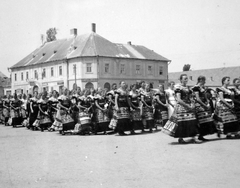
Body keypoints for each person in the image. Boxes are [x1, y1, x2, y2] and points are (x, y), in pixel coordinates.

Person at [162, 74, 200, 144]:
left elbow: (191, 97)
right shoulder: (178, 88)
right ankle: (181, 138)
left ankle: (193, 137)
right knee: (182, 123)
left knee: (192, 121)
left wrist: (192, 104)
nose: (186, 80)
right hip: (182, 106)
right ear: (181, 80)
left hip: (189, 106)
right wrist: (187, 106)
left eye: (187, 78)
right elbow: (179, 99)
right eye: (185, 79)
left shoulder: (188, 88)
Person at [192, 76, 216, 141]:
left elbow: (205, 97)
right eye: (204, 80)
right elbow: (197, 98)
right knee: (201, 121)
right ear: (200, 80)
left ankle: (202, 135)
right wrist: (204, 105)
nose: (205, 82)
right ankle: (198, 135)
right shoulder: (196, 88)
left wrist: (207, 102)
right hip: (199, 105)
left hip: (205, 104)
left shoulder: (203, 88)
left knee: (206, 120)